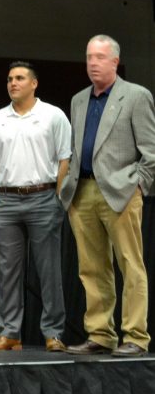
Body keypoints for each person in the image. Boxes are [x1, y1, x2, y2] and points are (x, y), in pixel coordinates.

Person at [60, 35, 155, 357]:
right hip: (82, 191)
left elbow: (150, 152)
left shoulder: (136, 96)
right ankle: (100, 334)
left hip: (121, 191)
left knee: (130, 264)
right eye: (89, 57)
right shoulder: (78, 100)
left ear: (115, 61)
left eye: (100, 57)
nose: (93, 63)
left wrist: (138, 185)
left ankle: (136, 336)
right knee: (91, 268)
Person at [0, 62, 71, 352]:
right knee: (7, 272)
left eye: (19, 78)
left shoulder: (53, 115)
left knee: (49, 270)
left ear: (34, 84)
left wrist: (57, 199)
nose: (12, 83)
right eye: (9, 79)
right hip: (5, 200)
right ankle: (10, 333)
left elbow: (65, 159)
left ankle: (53, 333)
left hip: (43, 197)